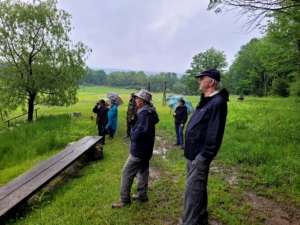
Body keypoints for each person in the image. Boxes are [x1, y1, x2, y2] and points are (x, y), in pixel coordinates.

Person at [182, 69, 229, 225]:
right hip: (192, 154)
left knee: (192, 193)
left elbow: (214, 133)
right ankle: (201, 219)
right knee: (198, 189)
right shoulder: (206, 99)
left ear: (211, 82)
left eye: (201, 78)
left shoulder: (218, 103)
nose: (199, 81)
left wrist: (203, 156)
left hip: (199, 156)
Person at [112, 89, 159, 208]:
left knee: (126, 172)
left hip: (139, 150)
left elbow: (140, 133)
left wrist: (132, 132)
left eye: (137, 98)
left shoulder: (143, 113)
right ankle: (142, 195)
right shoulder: (150, 111)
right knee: (143, 171)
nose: (135, 100)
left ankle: (124, 200)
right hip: (146, 150)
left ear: (142, 101)